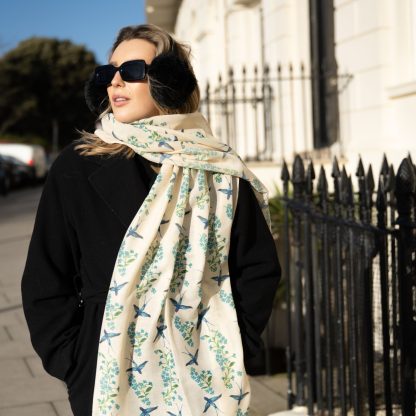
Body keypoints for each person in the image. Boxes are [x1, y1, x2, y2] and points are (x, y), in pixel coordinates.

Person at [21, 24, 281, 416]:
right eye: (108, 73)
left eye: (133, 72)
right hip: (107, 370)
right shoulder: (77, 165)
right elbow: (46, 277)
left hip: (207, 370)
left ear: (169, 82)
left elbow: (256, 267)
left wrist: (233, 345)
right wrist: (75, 362)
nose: (115, 83)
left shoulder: (217, 166)